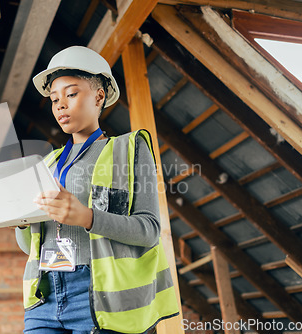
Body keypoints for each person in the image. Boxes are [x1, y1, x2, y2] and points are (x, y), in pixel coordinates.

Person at [15, 46, 179, 334]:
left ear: (99, 96)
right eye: (54, 99)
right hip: (45, 296)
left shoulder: (127, 149)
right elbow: (30, 247)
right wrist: (21, 223)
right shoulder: (47, 163)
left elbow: (149, 230)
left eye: (71, 93)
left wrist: (87, 217)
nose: (60, 105)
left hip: (101, 296)